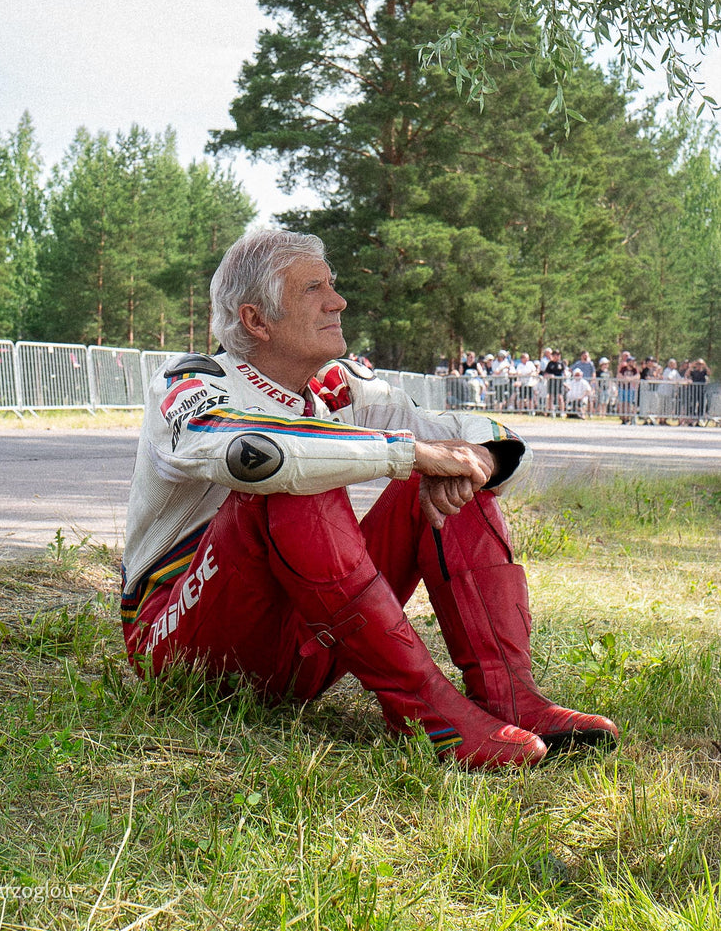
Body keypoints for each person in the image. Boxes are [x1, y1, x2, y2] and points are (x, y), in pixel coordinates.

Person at [121, 230, 618, 771]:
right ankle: (429, 714)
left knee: (447, 468)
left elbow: (469, 431)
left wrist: (469, 458)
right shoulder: (191, 381)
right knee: (295, 484)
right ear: (256, 320)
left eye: (332, 285)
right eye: (315, 288)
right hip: (180, 644)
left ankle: (511, 695)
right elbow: (252, 452)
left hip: (304, 639)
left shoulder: (337, 384)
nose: (339, 301)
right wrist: (408, 452)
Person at [543, 348, 566, 416]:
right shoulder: (550, 363)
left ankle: (562, 411)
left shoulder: (561, 363)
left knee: (560, 397)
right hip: (552, 382)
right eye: (556, 355)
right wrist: (550, 375)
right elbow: (545, 373)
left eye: (558, 355)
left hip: (559, 382)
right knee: (550, 396)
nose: (557, 356)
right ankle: (551, 410)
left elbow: (564, 372)